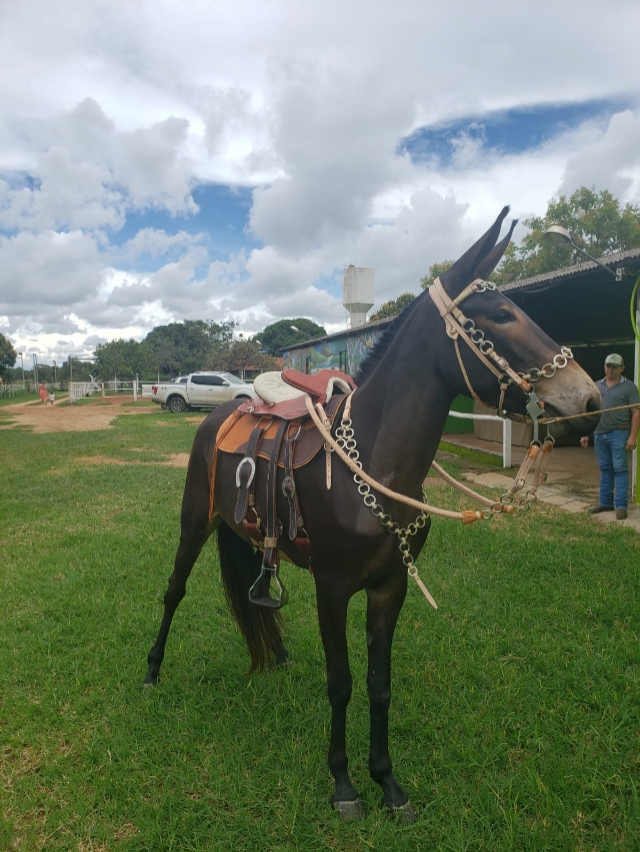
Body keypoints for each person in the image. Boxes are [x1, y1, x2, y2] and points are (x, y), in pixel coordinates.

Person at [581, 353, 640, 520]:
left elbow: (636, 413)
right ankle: (605, 502)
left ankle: (621, 506)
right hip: (599, 434)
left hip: (618, 434)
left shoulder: (629, 387)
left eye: (614, 366)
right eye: (608, 365)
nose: (610, 369)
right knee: (605, 469)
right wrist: (586, 433)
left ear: (622, 368)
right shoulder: (596, 386)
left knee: (620, 469)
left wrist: (632, 436)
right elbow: (590, 411)